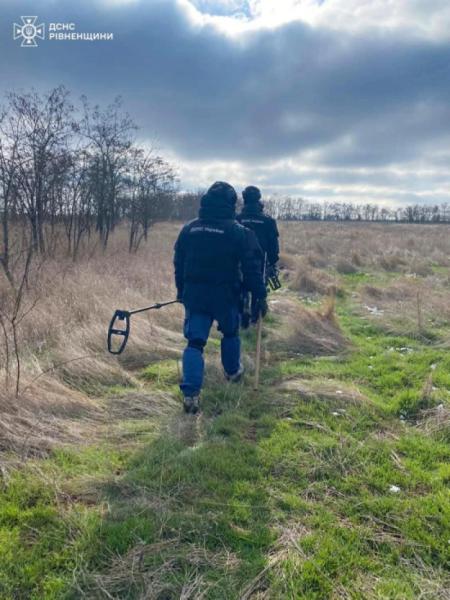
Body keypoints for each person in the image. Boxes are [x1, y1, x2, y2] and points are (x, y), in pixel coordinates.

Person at [173, 181, 267, 415]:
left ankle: (191, 394)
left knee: (194, 343)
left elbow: (178, 264)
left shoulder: (189, 229)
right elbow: (252, 269)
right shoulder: (239, 232)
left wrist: (181, 291)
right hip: (226, 297)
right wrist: (259, 296)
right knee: (230, 333)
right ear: (231, 204)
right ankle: (233, 372)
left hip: (195, 296)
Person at [237, 186, 280, 326]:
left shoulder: (237, 219)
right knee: (259, 287)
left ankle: (242, 310)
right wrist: (273, 262)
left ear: (244, 199)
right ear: (258, 199)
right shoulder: (268, 221)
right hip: (261, 262)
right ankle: (255, 318)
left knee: (240, 285)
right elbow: (274, 246)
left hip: (239, 261)